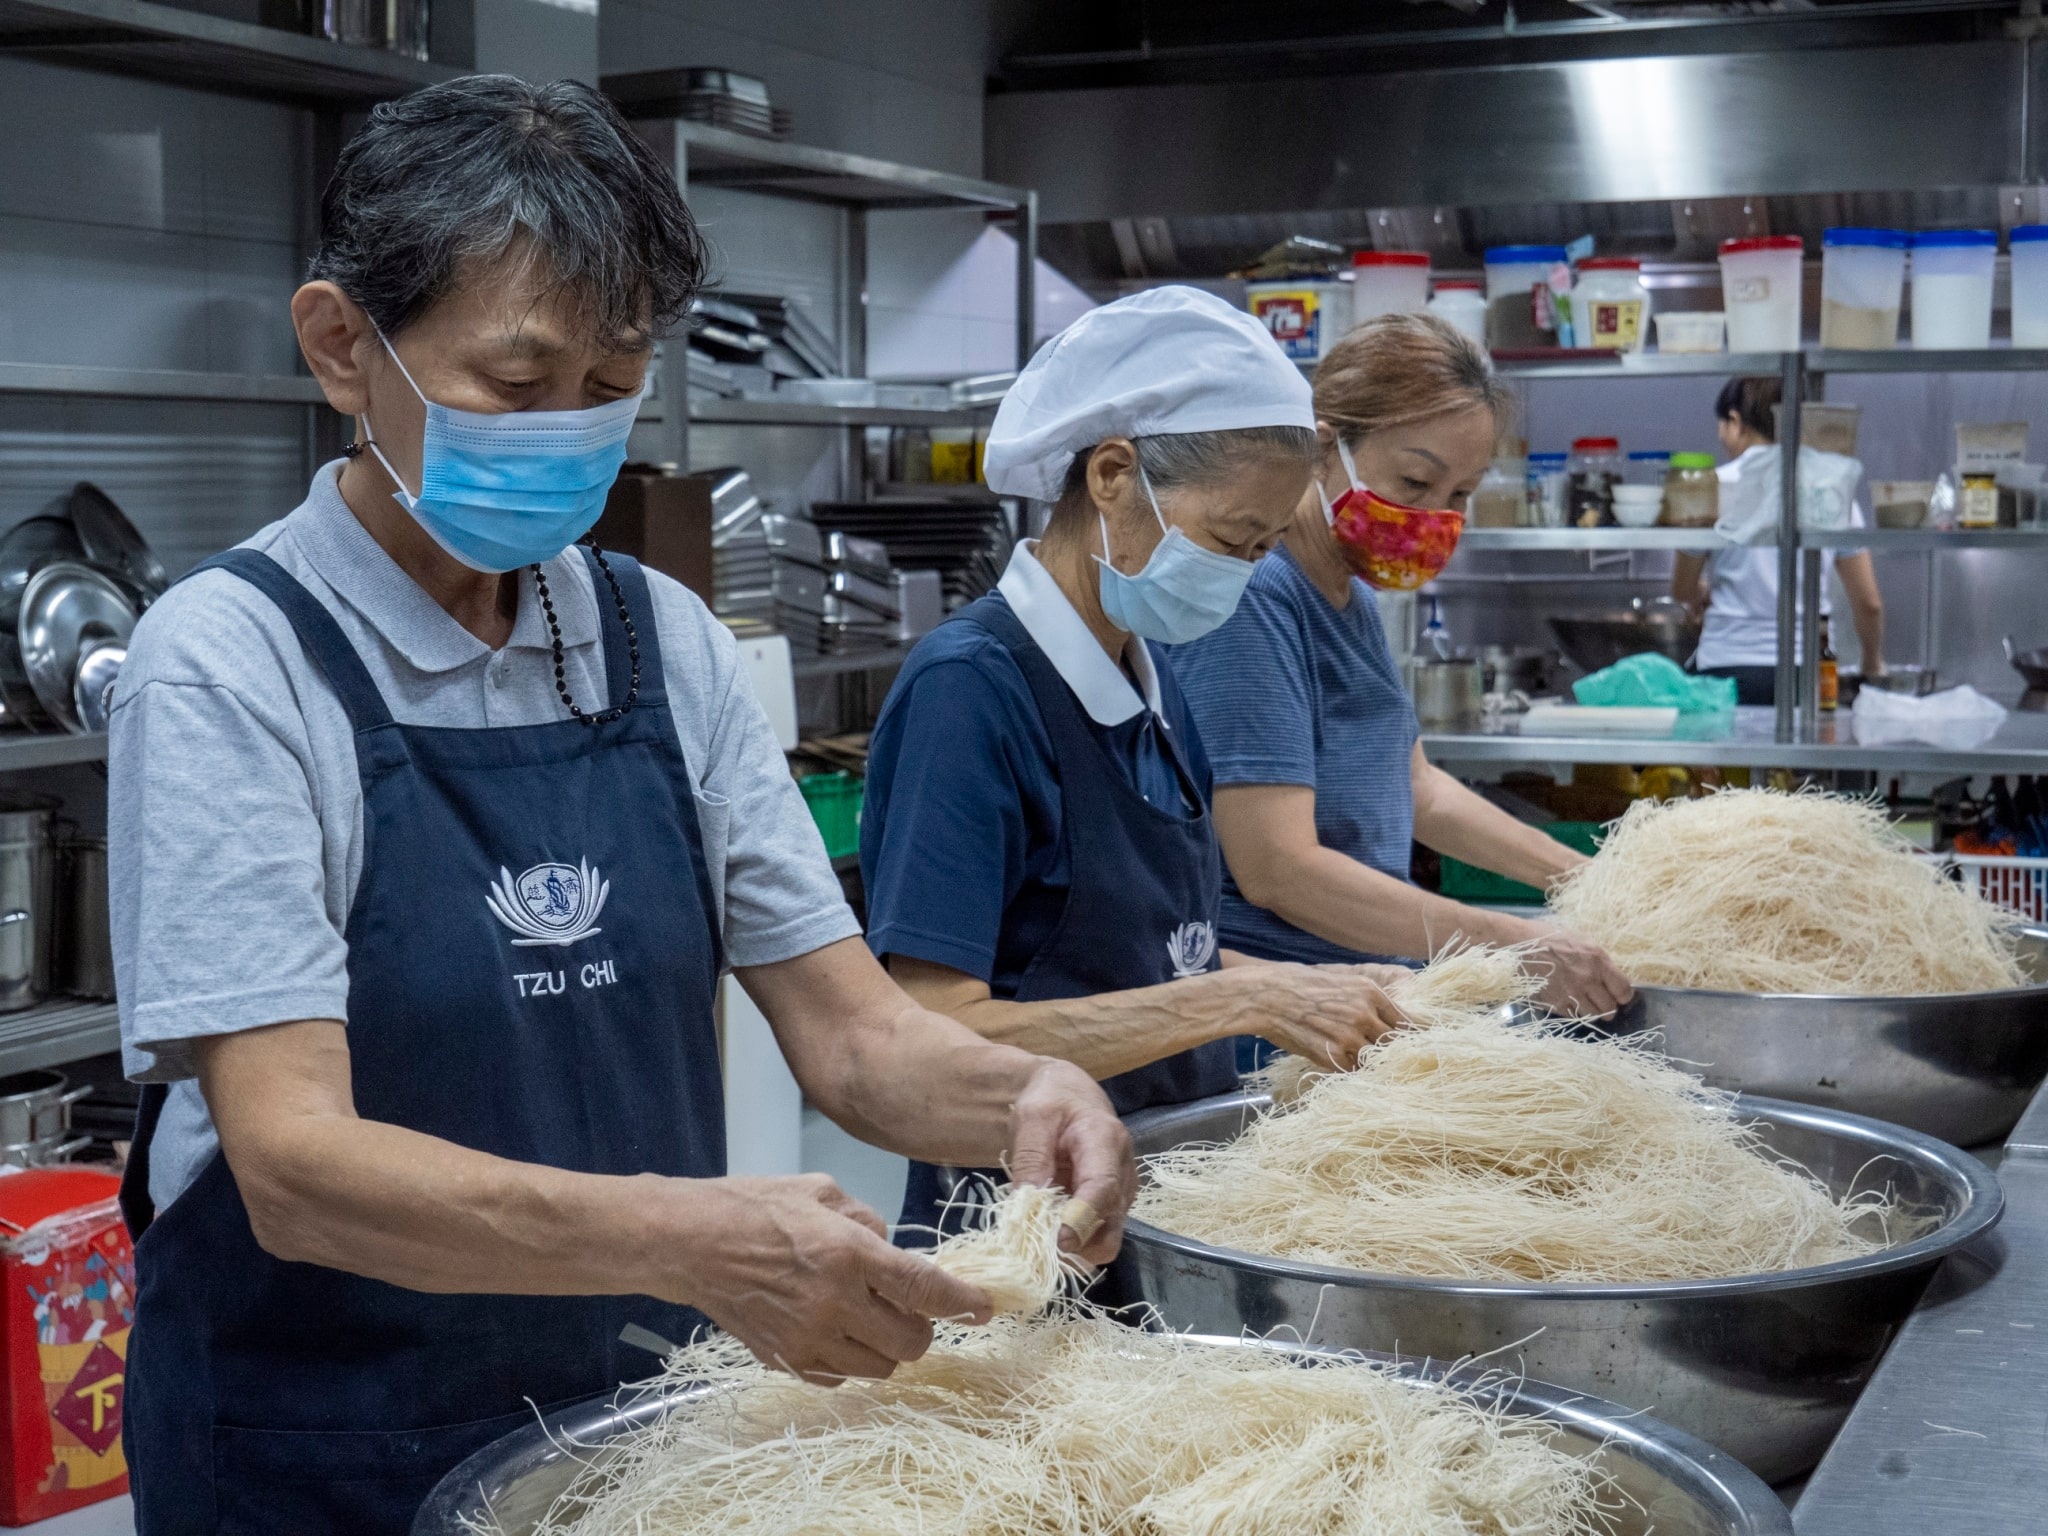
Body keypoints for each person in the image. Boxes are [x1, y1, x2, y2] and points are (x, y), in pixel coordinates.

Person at [108, 78, 1132, 1536]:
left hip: (633, 1450)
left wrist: (1021, 1094)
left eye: (610, 385)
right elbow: (296, 1168)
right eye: (517, 387)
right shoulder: (231, 664)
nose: (568, 433)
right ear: (343, 346)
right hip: (323, 1453)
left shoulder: (661, 643)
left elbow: (850, 1033)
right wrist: (696, 1240)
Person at [859, 288, 1411, 1239]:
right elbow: (938, 1032)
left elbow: (1153, 955)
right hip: (1029, 1225)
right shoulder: (972, 693)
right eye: (1232, 541)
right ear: (1113, 474)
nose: (1241, 576)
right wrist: (1249, 994)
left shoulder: (1148, 681)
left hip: (1165, 1197)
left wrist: (1325, 990)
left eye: (1266, 547)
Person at [1170, 313, 1632, 1031]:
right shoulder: (1259, 598)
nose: (1435, 516)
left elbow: (1416, 788)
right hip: (1280, 1019)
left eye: (1461, 494)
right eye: (1415, 480)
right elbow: (1276, 870)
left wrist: (1587, 875)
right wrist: (1513, 943)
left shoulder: (1348, 592)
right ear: (1324, 447)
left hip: (1367, 990)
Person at [1671, 375, 1885, 704]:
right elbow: (1869, 604)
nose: (1721, 437)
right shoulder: (1831, 490)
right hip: (1808, 671)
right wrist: (1872, 661)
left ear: (1735, 421)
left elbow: (1681, 590)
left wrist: (1701, 591)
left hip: (1724, 668)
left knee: (1730, 757)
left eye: (1722, 426)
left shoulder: (1711, 488)